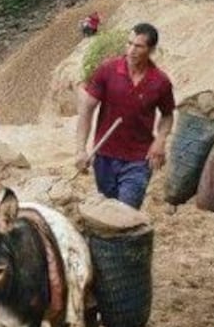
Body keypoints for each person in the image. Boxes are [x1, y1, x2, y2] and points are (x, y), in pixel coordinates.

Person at [74, 23, 175, 209]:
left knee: (126, 211)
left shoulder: (160, 82)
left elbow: (167, 115)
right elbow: (87, 109)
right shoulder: (108, 70)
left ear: (151, 49)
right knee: (108, 209)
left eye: (138, 46)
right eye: (129, 44)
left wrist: (160, 141)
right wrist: (81, 149)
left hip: (138, 160)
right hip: (105, 157)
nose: (131, 50)